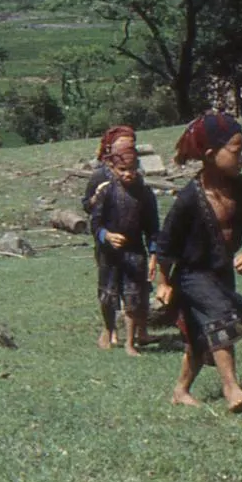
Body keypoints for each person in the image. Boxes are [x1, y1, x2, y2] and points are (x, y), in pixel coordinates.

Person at [153, 112, 242, 412]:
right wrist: (163, 282)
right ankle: (231, 388)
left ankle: (180, 391)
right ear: (210, 154)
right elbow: (166, 245)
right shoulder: (189, 199)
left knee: (199, 338)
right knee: (222, 317)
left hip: (222, 273)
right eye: (236, 151)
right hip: (192, 275)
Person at [87, 138, 159, 355]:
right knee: (108, 295)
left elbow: (153, 227)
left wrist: (154, 255)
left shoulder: (145, 194)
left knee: (133, 296)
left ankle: (130, 342)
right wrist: (106, 236)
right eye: (123, 169)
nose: (128, 174)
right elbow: (95, 222)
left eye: (132, 169)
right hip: (109, 254)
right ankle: (109, 330)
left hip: (135, 252)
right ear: (112, 168)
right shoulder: (106, 192)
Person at [83, 125, 136, 349]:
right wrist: (96, 199)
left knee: (135, 288)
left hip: (132, 245)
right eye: (123, 145)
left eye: (131, 144)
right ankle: (111, 330)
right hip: (106, 241)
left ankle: (138, 333)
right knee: (109, 287)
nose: (127, 148)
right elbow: (87, 206)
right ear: (111, 149)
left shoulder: (134, 175)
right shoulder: (100, 176)